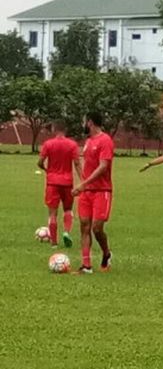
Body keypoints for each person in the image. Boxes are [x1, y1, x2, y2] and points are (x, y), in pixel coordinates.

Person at [72, 112, 114, 275]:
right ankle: (86, 265)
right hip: (86, 192)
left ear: (90, 122)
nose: (83, 124)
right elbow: (87, 164)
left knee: (97, 228)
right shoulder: (88, 141)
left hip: (102, 191)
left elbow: (103, 166)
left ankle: (106, 252)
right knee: (84, 226)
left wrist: (83, 183)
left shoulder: (105, 141)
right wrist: (82, 183)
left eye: (84, 121)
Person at [37, 120, 81, 248]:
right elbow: (77, 163)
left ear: (54, 130)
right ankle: (66, 232)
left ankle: (54, 243)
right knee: (68, 210)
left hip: (52, 182)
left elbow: (40, 162)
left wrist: (46, 169)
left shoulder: (48, 144)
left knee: (52, 213)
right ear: (65, 130)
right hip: (67, 182)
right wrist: (83, 180)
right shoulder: (72, 145)